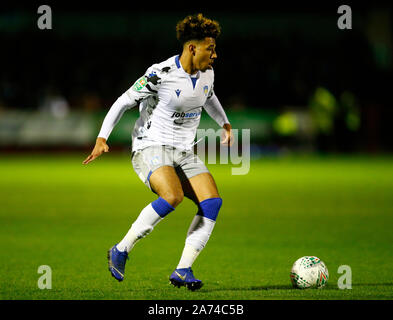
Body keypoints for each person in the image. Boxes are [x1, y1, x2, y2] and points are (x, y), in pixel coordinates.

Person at [83, 13, 232, 291]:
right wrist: (103, 137)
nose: (215, 54)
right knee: (172, 195)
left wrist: (224, 122)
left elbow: (209, 96)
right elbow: (123, 101)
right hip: (150, 146)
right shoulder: (160, 73)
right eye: (210, 48)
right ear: (192, 48)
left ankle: (183, 270)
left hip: (183, 151)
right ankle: (121, 249)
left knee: (212, 202)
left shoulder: (207, 73)